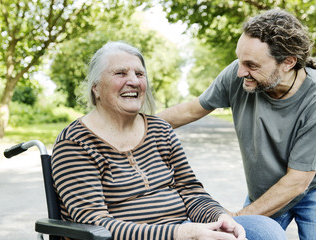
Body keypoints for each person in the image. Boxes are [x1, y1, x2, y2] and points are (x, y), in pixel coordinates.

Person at [51, 41, 286, 240]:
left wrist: (218, 217)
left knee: (266, 230)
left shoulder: (159, 130)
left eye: (139, 74)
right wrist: (181, 233)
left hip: (184, 227)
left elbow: (190, 190)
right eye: (120, 73)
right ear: (96, 89)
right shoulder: (76, 142)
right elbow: (97, 224)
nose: (133, 81)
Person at [158, 8, 316, 240]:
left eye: (251, 65)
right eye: (240, 61)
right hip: (264, 188)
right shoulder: (238, 73)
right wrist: (129, 127)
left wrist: (237, 217)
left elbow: (297, 181)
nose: (241, 72)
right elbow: (190, 111)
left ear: (288, 62)